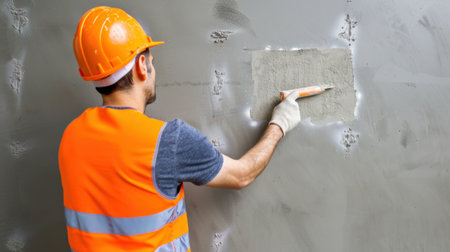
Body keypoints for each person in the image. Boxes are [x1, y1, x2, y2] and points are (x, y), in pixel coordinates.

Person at [59, 6, 301, 252]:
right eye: (152, 60)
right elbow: (242, 175)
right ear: (142, 66)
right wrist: (279, 124)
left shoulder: (71, 137)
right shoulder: (167, 141)